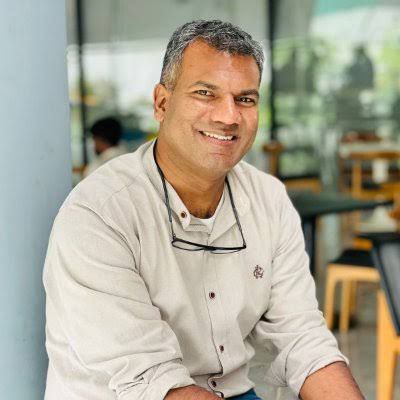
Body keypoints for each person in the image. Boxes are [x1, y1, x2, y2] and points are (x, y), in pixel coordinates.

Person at [43, 20, 365, 400]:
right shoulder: (99, 216)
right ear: (162, 103)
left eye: (245, 99)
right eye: (205, 93)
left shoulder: (269, 200)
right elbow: (153, 383)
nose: (228, 116)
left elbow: (302, 339)